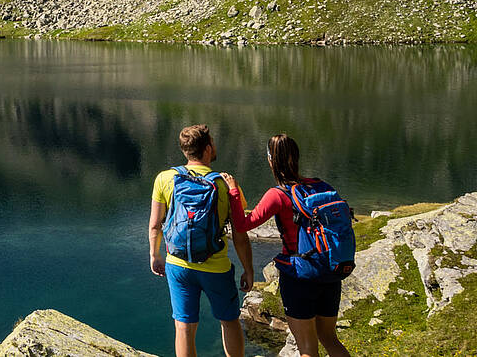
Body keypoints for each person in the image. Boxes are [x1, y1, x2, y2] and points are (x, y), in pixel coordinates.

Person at [232, 134, 352, 357]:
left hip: (300, 275)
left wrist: (233, 192)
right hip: (331, 270)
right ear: (296, 157)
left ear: (270, 160)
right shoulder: (322, 186)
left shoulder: (277, 195)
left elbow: (242, 224)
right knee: (329, 338)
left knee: (306, 347)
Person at [149, 124, 254, 357]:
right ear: (207, 149)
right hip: (216, 266)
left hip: (178, 264)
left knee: (184, 327)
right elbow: (239, 232)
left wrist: (155, 255)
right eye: (213, 143)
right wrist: (248, 269)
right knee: (229, 321)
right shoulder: (225, 184)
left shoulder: (165, 178)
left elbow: (156, 224)